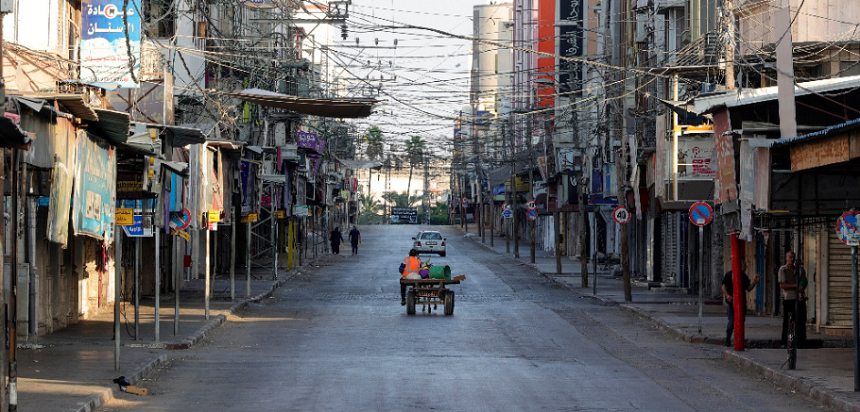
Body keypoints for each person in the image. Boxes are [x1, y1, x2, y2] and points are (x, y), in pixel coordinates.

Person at [721, 260, 761, 347]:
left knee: (740, 322)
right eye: (744, 265)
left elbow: (748, 288)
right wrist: (727, 295)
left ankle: (738, 340)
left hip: (742, 302)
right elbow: (723, 286)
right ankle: (728, 338)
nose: (746, 267)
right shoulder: (729, 275)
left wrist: (754, 281)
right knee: (731, 322)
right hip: (732, 302)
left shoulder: (744, 277)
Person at [779, 251, 807, 348]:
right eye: (790, 257)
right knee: (788, 321)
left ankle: (800, 342)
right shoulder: (783, 270)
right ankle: (785, 342)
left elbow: (803, 279)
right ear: (786, 258)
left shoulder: (797, 270)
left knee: (800, 321)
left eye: (793, 257)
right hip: (789, 298)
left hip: (799, 299)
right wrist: (795, 286)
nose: (791, 259)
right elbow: (783, 285)